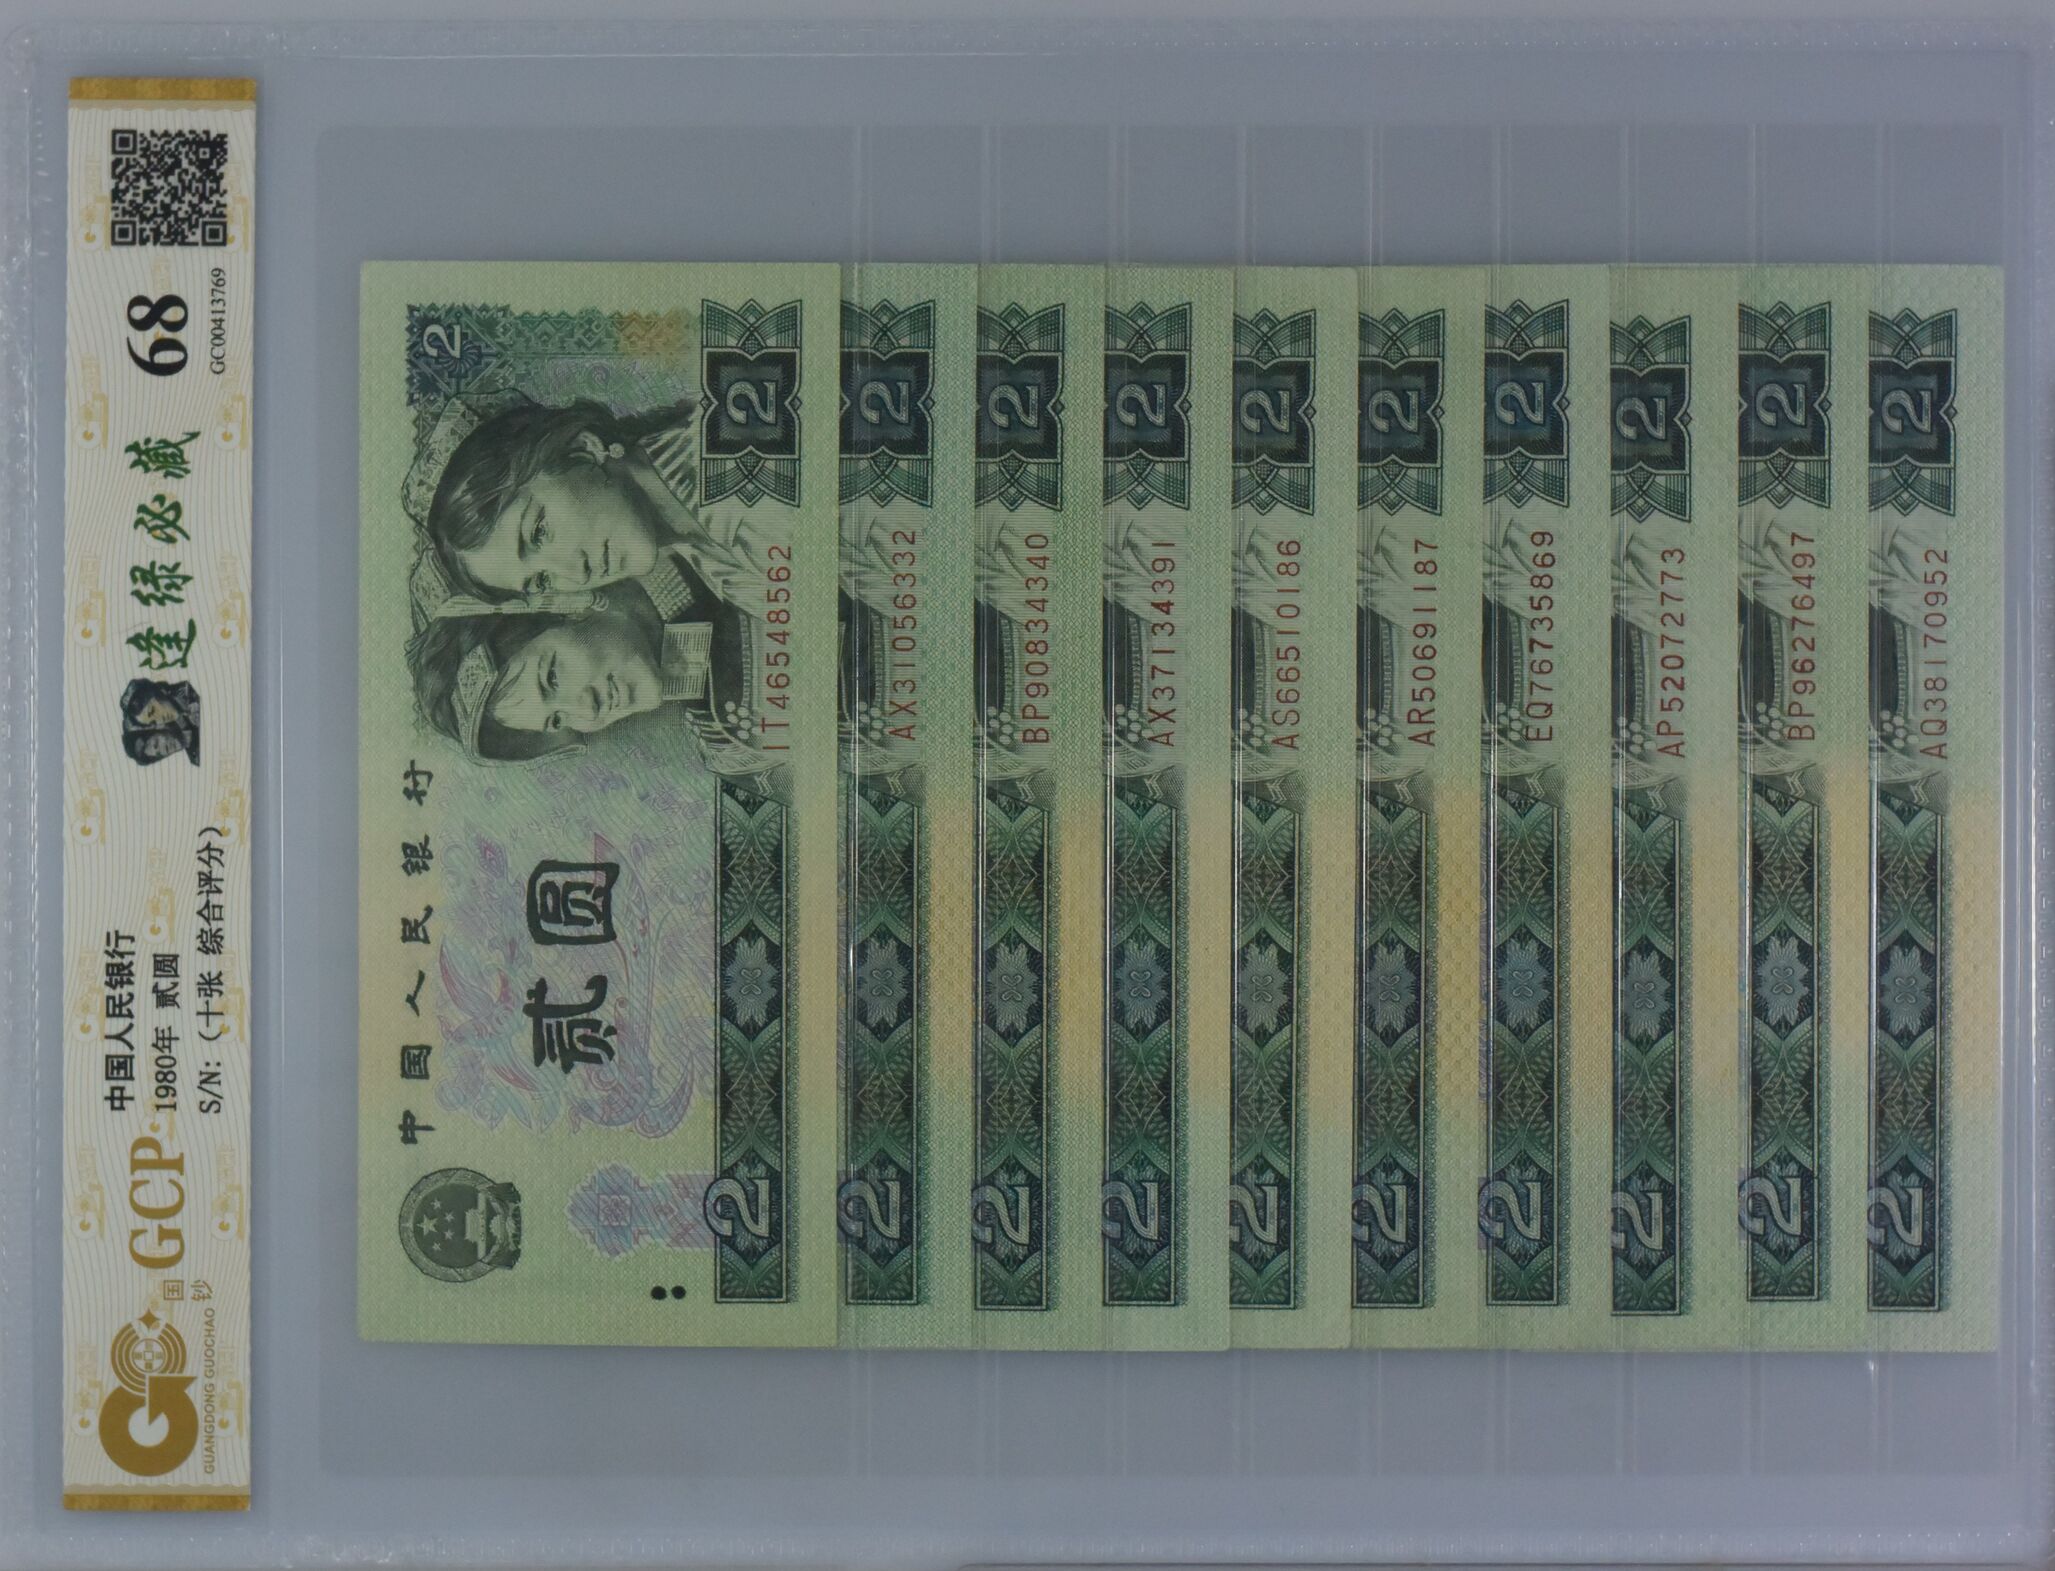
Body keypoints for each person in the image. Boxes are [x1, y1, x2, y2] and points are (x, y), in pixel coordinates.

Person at [422, 395, 781, 621]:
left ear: (584, 449)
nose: (576, 575)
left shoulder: (750, 449)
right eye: (542, 580)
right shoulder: (718, 573)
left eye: (539, 533)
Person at [408, 577, 780, 785]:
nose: (587, 710)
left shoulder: (703, 552)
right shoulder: (727, 742)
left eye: (553, 677)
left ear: (565, 608)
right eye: (557, 720)